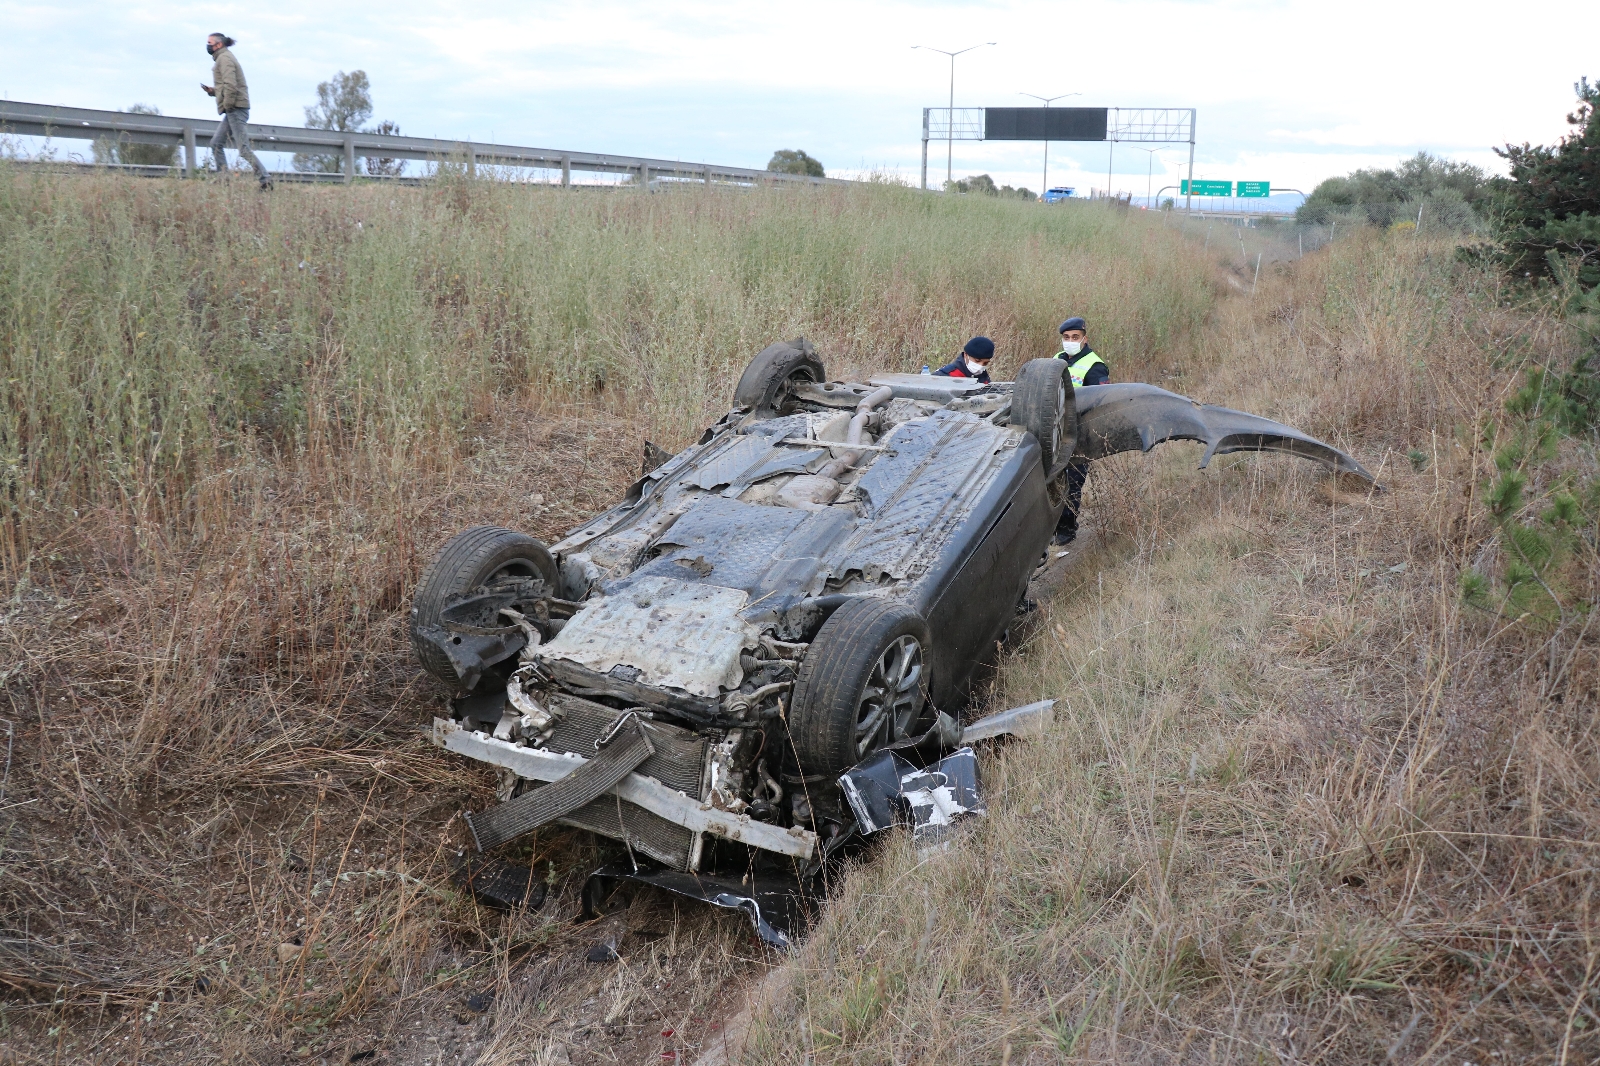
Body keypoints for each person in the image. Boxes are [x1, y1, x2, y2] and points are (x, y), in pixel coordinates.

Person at [1053, 316, 1108, 545]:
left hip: (1080, 432)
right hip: (1056, 429)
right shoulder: (1057, 359)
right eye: (1066, 338)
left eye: (1075, 337)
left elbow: (1099, 402)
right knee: (1054, 479)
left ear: (1084, 339)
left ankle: (1067, 529)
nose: (1070, 341)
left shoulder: (1095, 366)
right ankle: (1053, 527)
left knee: (1073, 481)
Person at [201, 33, 272, 189]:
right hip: (234, 108)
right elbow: (226, 86)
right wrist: (213, 91)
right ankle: (223, 178)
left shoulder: (224, 59)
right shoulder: (223, 58)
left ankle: (265, 179)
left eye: (209, 43)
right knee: (216, 144)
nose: (207, 45)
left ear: (218, 45)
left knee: (243, 149)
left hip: (235, 108)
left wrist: (227, 105)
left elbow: (231, 86)